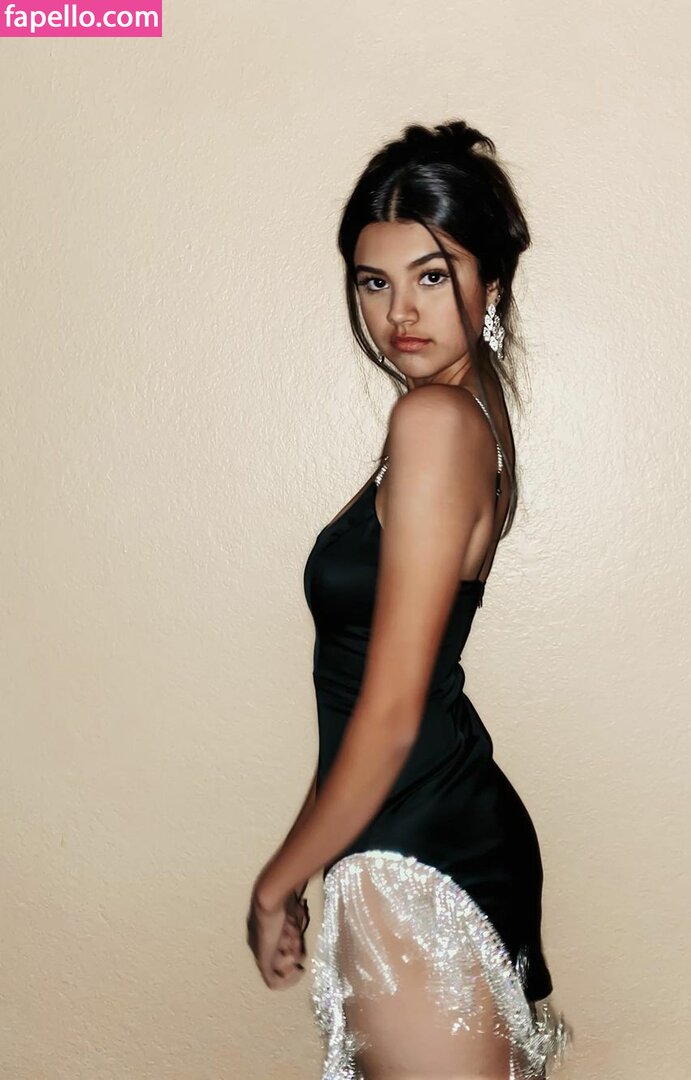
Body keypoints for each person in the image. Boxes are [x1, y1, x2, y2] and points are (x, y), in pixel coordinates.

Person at [246, 119, 572, 1079]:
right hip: (419, 830)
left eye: (433, 274)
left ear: (491, 283)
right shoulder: (463, 417)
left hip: (418, 848)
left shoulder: (434, 420)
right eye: (373, 281)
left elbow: (390, 716)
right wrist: (307, 854)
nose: (400, 312)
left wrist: (274, 884)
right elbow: (369, 702)